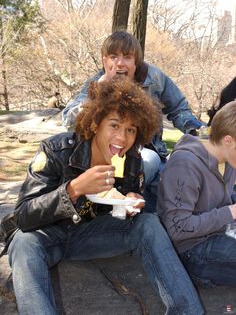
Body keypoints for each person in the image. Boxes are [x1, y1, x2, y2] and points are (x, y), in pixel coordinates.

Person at [4, 78, 204, 314]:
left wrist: (130, 202)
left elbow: (118, 207)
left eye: (131, 129)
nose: (122, 137)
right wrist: (73, 189)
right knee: (23, 243)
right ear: (96, 123)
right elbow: (24, 215)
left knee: (148, 223)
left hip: (90, 236)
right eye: (115, 125)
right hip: (50, 236)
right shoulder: (56, 151)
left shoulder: (131, 159)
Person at [62, 30, 205, 212]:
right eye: (113, 57)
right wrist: (98, 92)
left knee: (159, 167)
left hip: (146, 150)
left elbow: (179, 108)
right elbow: (68, 121)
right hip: (103, 155)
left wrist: (198, 131)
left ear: (136, 61)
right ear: (104, 61)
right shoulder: (95, 83)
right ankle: (111, 205)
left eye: (127, 57)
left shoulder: (154, 78)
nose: (120, 63)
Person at [158, 101, 236, 288]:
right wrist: (231, 212)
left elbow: (221, 199)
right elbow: (177, 229)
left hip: (219, 234)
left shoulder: (228, 161)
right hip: (191, 251)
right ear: (228, 140)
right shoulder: (185, 164)